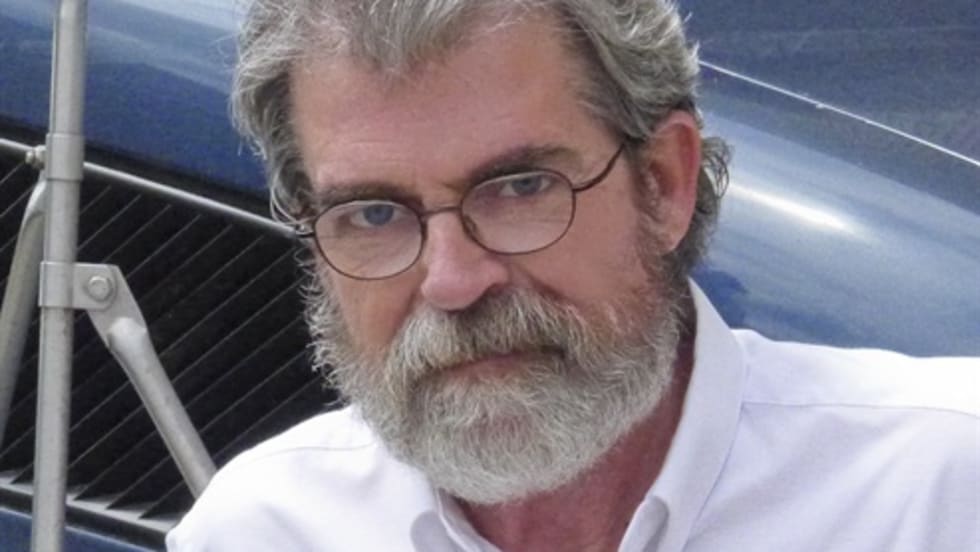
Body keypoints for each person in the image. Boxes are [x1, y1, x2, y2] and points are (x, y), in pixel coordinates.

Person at [167, 1, 979, 550]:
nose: (452, 281)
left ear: (664, 183)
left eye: (521, 187)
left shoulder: (941, 490)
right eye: (373, 214)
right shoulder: (260, 532)